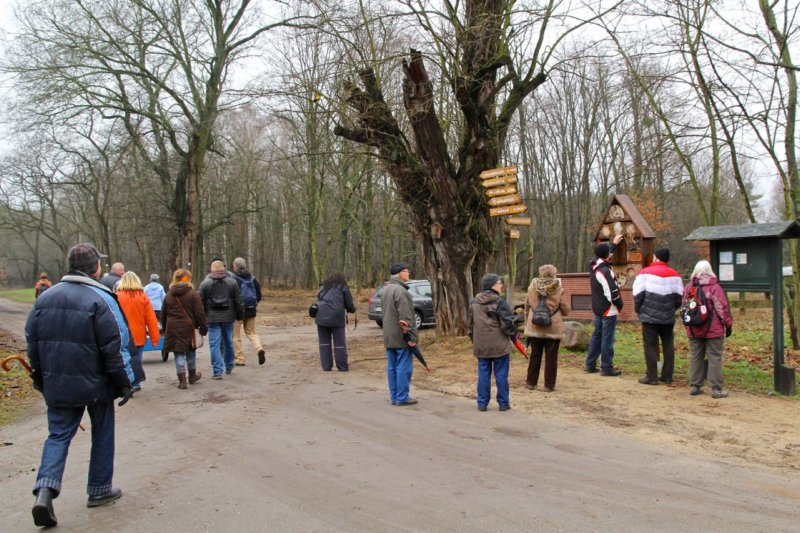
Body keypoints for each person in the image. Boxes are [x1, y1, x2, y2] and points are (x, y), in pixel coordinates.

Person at [24, 243, 134, 528]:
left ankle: (44, 492)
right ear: (95, 268)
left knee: (58, 435)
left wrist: (40, 377)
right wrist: (125, 384)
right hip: (97, 384)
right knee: (103, 433)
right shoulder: (101, 298)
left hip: (58, 383)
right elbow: (114, 346)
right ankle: (99, 489)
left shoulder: (44, 299)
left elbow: (32, 343)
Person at [632, 248, 684, 385]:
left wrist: (639, 310)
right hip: (668, 316)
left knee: (650, 345)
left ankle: (652, 376)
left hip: (649, 316)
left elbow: (637, 295)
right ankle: (667, 376)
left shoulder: (644, 273)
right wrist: (672, 309)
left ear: (655, 257)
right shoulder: (676, 275)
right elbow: (679, 298)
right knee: (668, 345)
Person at [683, 260, 733, 398]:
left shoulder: (688, 287)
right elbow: (722, 309)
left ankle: (695, 385)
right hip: (713, 329)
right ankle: (716, 388)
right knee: (714, 357)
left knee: (696, 356)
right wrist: (728, 325)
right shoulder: (714, 288)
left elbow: (684, 308)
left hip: (694, 329)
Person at [469, 273, 516, 411]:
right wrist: (514, 335)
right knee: (501, 375)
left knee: (483, 374)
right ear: (492, 285)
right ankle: (503, 403)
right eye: (499, 282)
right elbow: (507, 325)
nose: (501, 285)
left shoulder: (474, 302)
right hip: (499, 346)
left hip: (481, 346)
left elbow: (469, 325)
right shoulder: (500, 302)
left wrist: (475, 340)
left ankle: (482, 404)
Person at [523, 265, 571, 392]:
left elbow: (527, 307)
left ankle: (531, 383)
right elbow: (565, 310)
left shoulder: (531, 288)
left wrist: (527, 322)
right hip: (553, 328)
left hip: (535, 326)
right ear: (554, 274)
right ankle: (548, 385)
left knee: (535, 355)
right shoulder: (558, 289)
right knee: (551, 357)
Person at [584, 234, 625, 376]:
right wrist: (620, 304)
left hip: (598, 307)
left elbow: (605, 256)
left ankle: (590, 364)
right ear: (606, 256)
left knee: (597, 336)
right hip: (608, 309)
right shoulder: (605, 271)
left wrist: (613, 245)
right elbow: (612, 293)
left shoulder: (594, 264)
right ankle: (607, 367)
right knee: (607, 338)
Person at [161, 269, 208, 389]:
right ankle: (192, 376)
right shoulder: (193, 294)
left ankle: (182, 381)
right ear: (188, 279)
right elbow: (200, 313)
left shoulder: (168, 295)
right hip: (189, 327)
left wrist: (165, 329)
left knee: (178, 354)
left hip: (172, 328)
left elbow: (163, 314)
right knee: (190, 352)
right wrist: (203, 327)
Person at [381, 263, 419, 406]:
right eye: (406, 271)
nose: (408, 273)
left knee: (392, 366)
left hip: (389, 334)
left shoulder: (386, 289)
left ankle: (394, 396)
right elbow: (406, 317)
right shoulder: (401, 291)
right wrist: (412, 337)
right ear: (399, 274)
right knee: (404, 366)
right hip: (401, 335)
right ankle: (402, 396)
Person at [198, 259, 243, 379]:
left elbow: (200, 303)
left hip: (212, 318)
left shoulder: (205, 283)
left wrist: (201, 318)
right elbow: (239, 301)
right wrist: (239, 316)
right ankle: (229, 365)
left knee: (214, 344)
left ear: (211, 269)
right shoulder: (232, 282)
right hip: (228, 317)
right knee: (228, 341)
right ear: (223, 269)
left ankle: (217, 371)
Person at [116, 272, 160, 392]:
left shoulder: (116, 296)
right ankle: (135, 383)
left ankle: (126, 383)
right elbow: (151, 318)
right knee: (137, 359)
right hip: (138, 334)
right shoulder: (142, 296)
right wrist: (154, 338)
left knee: (124, 359)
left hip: (122, 335)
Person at [314, 272, 357, 371]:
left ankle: (326, 366)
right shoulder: (343, 287)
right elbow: (349, 303)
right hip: (336, 318)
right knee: (339, 344)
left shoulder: (323, 287)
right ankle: (342, 367)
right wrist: (353, 309)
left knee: (324, 343)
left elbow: (319, 300)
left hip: (321, 317)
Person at [231, 257, 266, 366]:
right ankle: (259, 348)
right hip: (251, 310)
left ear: (234, 266)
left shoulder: (233, 279)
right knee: (251, 332)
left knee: (236, 336)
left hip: (238, 312)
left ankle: (240, 359)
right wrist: (253, 304)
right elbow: (259, 295)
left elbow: (232, 297)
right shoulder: (253, 279)